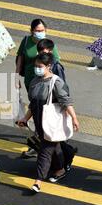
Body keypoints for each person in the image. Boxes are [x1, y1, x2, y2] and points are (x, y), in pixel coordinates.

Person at [16, 53, 79, 193]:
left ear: (49, 66)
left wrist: (74, 118)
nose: (37, 69)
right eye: (36, 66)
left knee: (44, 150)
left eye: (40, 66)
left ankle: (38, 180)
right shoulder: (34, 81)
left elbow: (66, 101)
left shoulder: (56, 82)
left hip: (52, 123)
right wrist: (26, 118)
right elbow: (33, 104)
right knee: (53, 146)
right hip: (40, 121)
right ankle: (61, 167)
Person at [15, 20, 61, 158]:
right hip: (30, 81)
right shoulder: (26, 41)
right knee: (35, 111)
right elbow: (20, 59)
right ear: (31, 31)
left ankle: (40, 143)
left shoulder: (48, 45)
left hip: (45, 86)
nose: (40, 33)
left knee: (40, 114)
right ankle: (38, 141)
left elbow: (56, 63)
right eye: (37, 30)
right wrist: (16, 77)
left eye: (42, 30)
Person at [37, 39, 77, 177]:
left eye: (44, 51)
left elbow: (63, 90)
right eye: (40, 51)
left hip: (53, 109)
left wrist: (71, 115)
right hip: (42, 110)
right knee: (53, 142)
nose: (42, 53)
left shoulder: (56, 68)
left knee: (50, 144)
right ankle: (59, 165)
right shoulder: (38, 67)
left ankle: (42, 175)